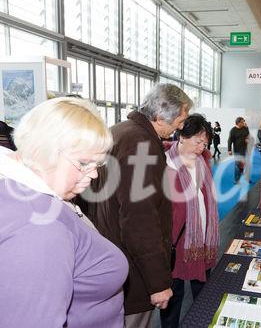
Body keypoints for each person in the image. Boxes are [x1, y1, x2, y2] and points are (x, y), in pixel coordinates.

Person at [0, 97, 128, 327]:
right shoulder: (38, 228)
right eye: (83, 163)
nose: (94, 175)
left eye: (97, 165)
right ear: (44, 150)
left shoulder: (20, 189)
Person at [89, 83, 192, 328]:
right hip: (132, 270)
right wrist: (158, 282)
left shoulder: (119, 131)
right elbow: (139, 220)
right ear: (159, 117)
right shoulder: (142, 145)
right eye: (180, 120)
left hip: (110, 252)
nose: (181, 127)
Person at [160, 114, 219, 327]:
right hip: (175, 244)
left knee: (203, 293)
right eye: (197, 141)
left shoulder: (203, 163)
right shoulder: (164, 164)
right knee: (173, 299)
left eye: (205, 143)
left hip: (201, 241)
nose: (201, 147)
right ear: (182, 136)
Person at [227, 117, 249, 184]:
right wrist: (229, 149)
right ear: (238, 123)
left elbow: (247, 135)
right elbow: (229, 140)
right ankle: (236, 179)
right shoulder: (233, 130)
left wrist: (247, 138)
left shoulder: (244, 128)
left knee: (243, 165)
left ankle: (243, 178)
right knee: (237, 165)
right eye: (242, 122)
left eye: (243, 121)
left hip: (245, 150)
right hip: (237, 150)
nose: (243, 123)